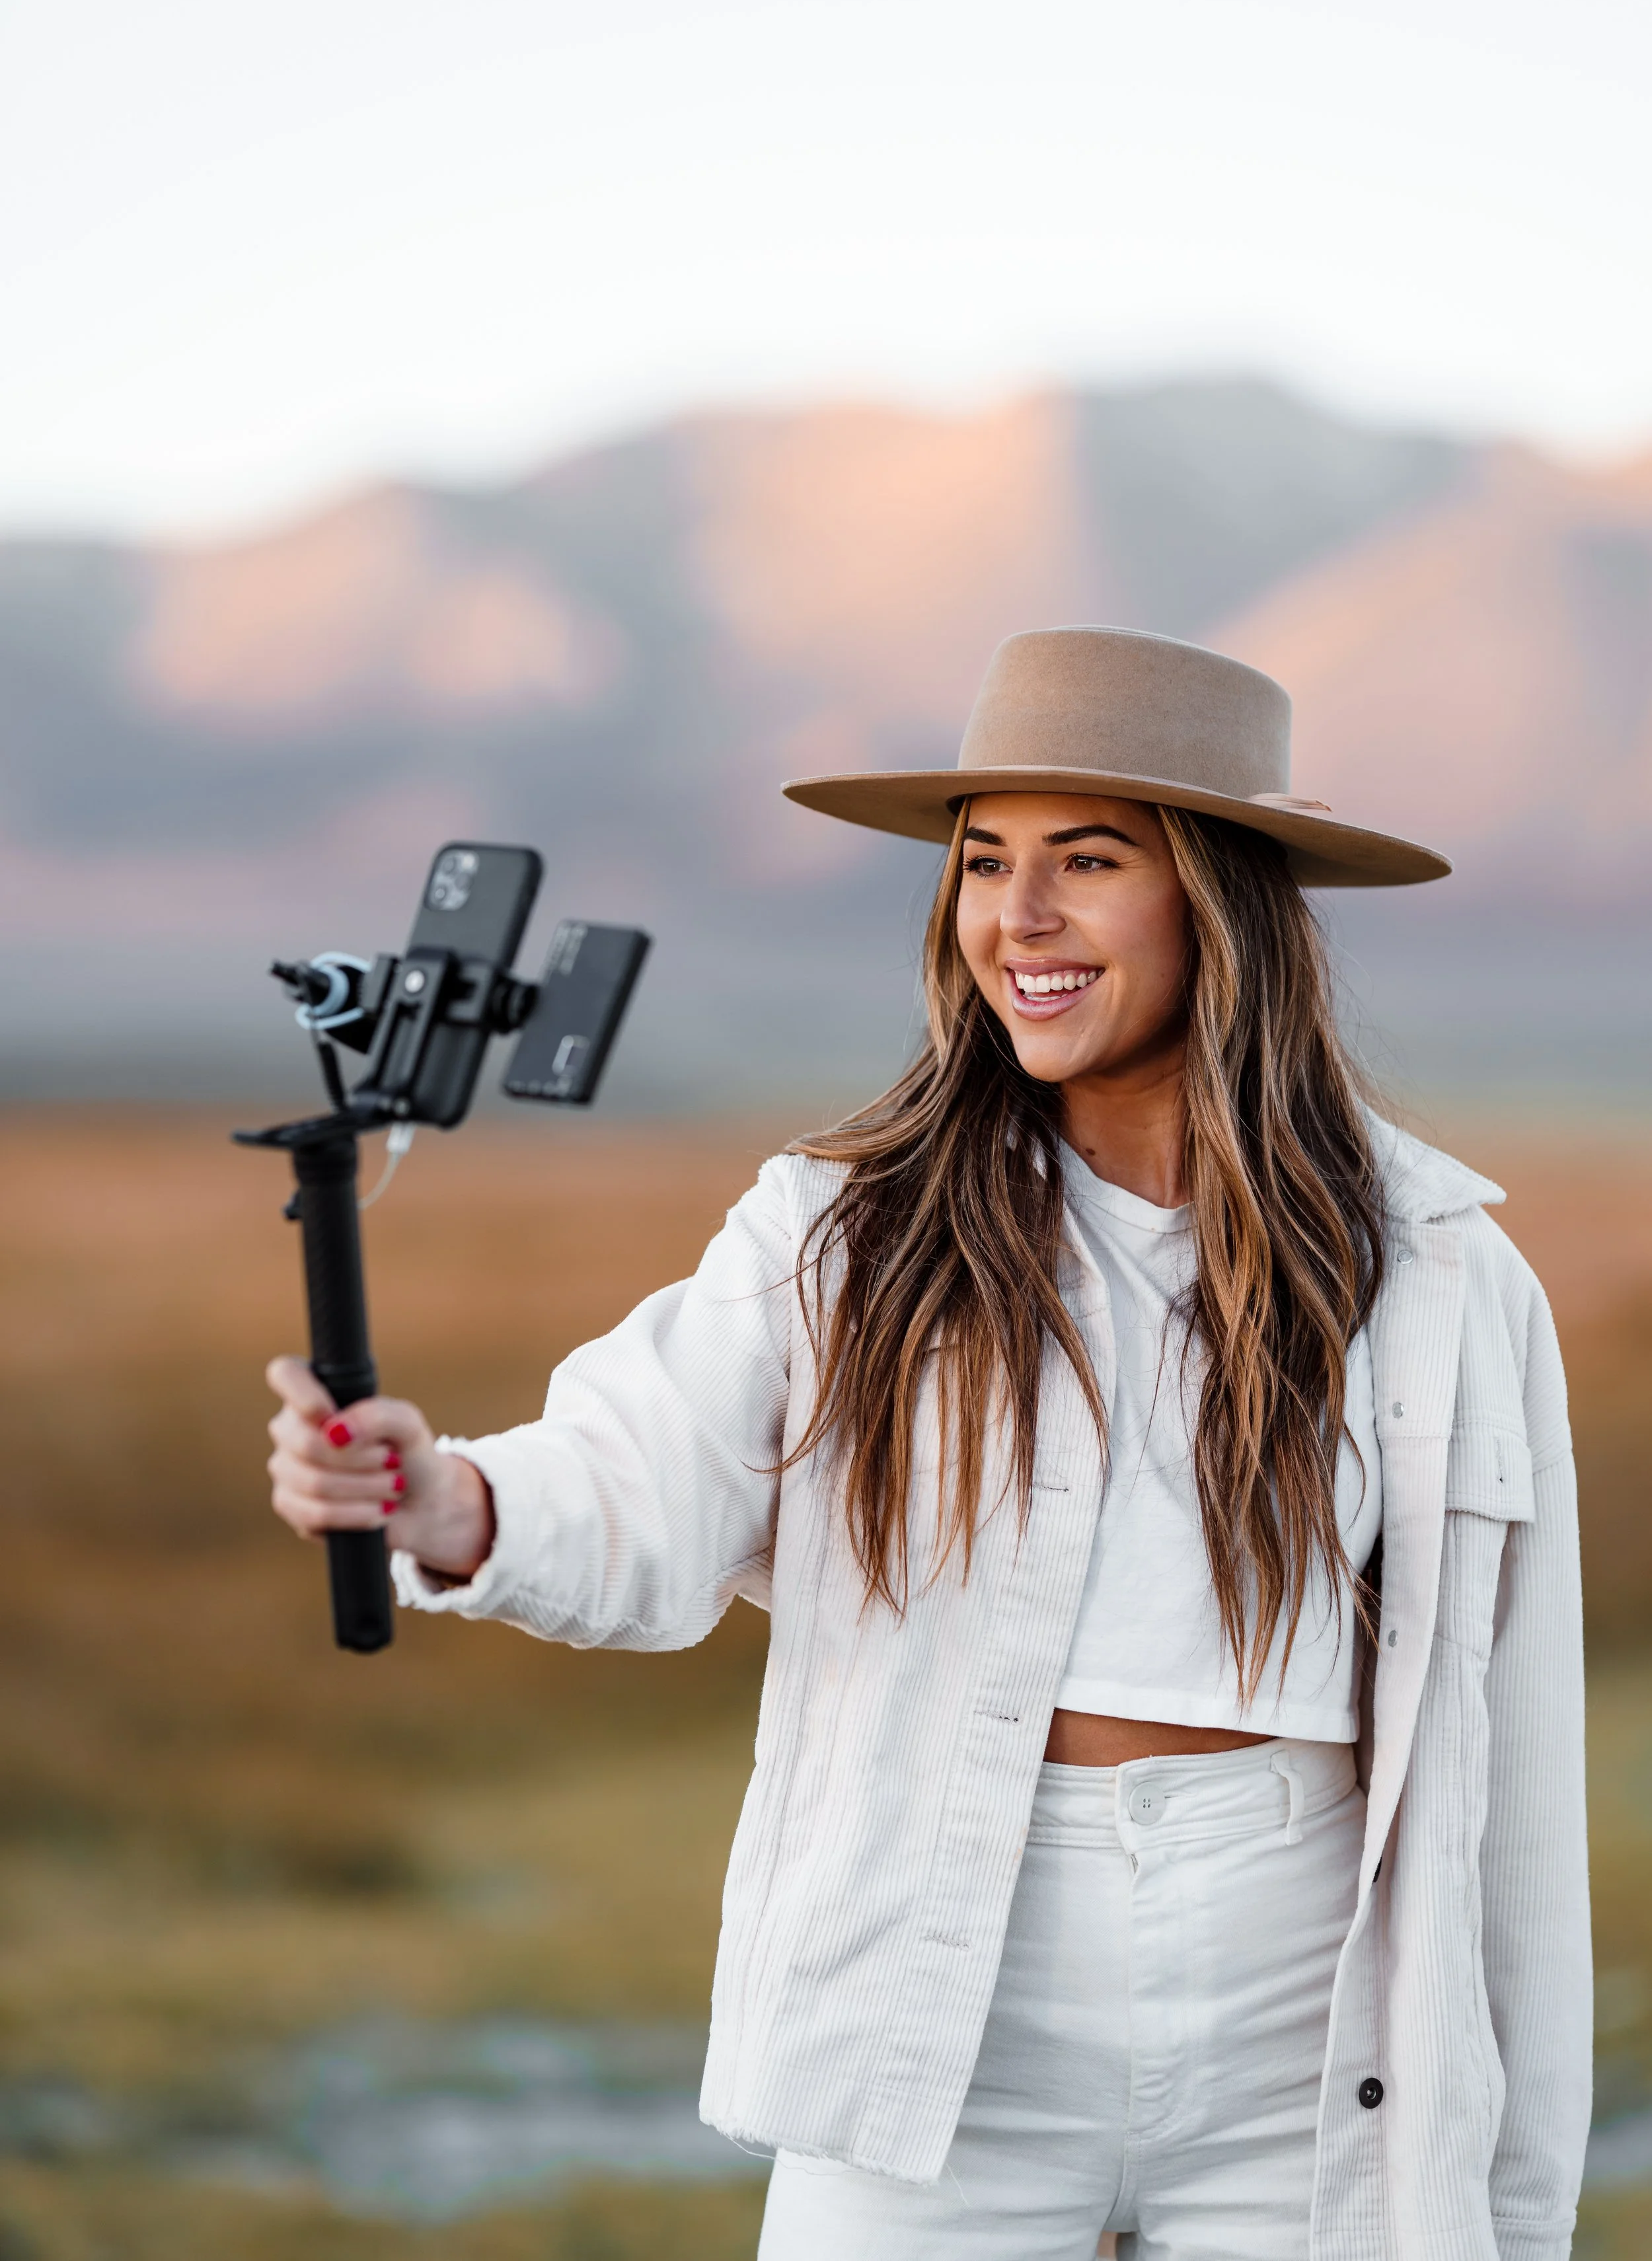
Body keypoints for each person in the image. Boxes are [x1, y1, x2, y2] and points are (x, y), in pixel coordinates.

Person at [264, 626, 1590, 2261]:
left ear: (1220, 899)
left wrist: (1513, 2209)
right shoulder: (846, 1226)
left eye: (1086, 860)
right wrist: (442, 1492)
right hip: (934, 1986)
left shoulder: (1442, 1265)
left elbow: (1512, 1787)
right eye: (982, 862)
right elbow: (633, 1474)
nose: (1015, 918)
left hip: (1307, 2022)